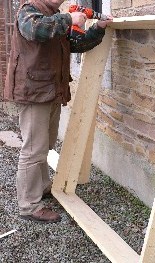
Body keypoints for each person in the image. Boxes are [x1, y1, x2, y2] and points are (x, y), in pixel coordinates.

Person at [3, 0, 113, 223]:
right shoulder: (29, 11)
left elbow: (75, 44)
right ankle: (29, 205)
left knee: (46, 144)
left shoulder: (53, 16)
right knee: (33, 149)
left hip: (50, 90)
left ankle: (42, 186)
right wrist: (69, 19)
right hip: (33, 91)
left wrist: (97, 28)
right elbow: (35, 30)